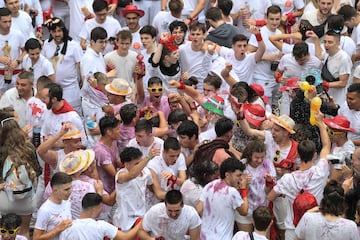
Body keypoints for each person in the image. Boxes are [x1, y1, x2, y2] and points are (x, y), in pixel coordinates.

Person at [267, 112, 331, 240]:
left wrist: (272, 183)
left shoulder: (287, 179)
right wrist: (320, 123)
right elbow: (326, 146)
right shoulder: (321, 171)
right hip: (315, 225)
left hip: (293, 228)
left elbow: (270, 196)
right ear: (314, 155)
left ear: (298, 155)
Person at [0, 110, 39, 239]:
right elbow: (38, 171)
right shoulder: (29, 148)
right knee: (24, 231)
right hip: (27, 198)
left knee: (5, 232)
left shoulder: (1, 152)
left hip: (5, 199)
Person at [113, 147, 164, 232]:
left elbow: (152, 186)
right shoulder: (120, 175)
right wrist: (148, 157)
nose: (140, 166)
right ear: (126, 164)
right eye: (136, 164)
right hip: (125, 221)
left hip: (141, 216)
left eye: (140, 162)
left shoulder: (146, 172)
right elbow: (132, 175)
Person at [197, 157, 249, 240]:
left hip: (204, 236)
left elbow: (199, 209)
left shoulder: (209, 185)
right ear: (227, 174)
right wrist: (243, 189)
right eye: (238, 175)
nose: (241, 179)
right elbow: (244, 211)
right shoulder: (232, 192)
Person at [42, 17, 83, 114]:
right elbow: (43, 65)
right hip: (52, 91)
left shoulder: (74, 45)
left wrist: (83, 83)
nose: (57, 34)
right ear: (50, 32)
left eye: (59, 31)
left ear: (63, 30)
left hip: (70, 89)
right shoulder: (46, 45)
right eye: (54, 31)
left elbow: (80, 66)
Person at [295, 180, 360, 240]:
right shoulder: (350, 226)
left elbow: (298, 238)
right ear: (342, 202)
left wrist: (313, 210)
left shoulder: (308, 218)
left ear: (324, 199)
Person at [59, 193, 139, 240]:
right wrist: (140, 223)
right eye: (101, 207)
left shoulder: (67, 228)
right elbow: (126, 237)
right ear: (94, 209)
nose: (101, 210)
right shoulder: (101, 226)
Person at [237, 140, 276, 232]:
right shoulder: (241, 165)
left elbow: (269, 193)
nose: (259, 160)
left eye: (262, 157)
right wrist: (244, 184)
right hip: (246, 209)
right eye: (256, 157)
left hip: (262, 211)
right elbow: (236, 191)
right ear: (250, 155)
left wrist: (269, 183)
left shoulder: (268, 164)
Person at [248, 5, 282, 108]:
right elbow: (248, 53)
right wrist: (268, 58)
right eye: (272, 19)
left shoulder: (279, 33)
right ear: (266, 18)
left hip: (275, 76)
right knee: (264, 106)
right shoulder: (259, 33)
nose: (274, 22)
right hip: (260, 76)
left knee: (275, 105)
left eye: (277, 19)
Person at [33, 172, 73, 240]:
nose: (70, 191)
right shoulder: (45, 210)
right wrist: (58, 229)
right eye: (66, 189)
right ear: (55, 190)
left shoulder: (67, 201)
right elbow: (36, 238)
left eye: (71, 188)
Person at [320, 30, 352, 105]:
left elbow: (343, 83)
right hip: (326, 96)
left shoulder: (343, 58)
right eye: (325, 42)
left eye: (330, 42)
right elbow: (319, 56)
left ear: (338, 43)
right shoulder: (326, 54)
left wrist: (327, 84)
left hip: (338, 99)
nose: (326, 45)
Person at [0, 7, 26, 94]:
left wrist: (17, 61)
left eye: (10, 21)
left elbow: (25, 51)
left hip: (15, 75)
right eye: (5, 22)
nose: (8, 24)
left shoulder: (18, 34)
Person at [94, 115, 121, 194]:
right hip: (106, 189)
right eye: (117, 129)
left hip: (114, 185)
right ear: (109, 132)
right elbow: (114, 175)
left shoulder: (113, 140)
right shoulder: (100, 151)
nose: (120, 131)